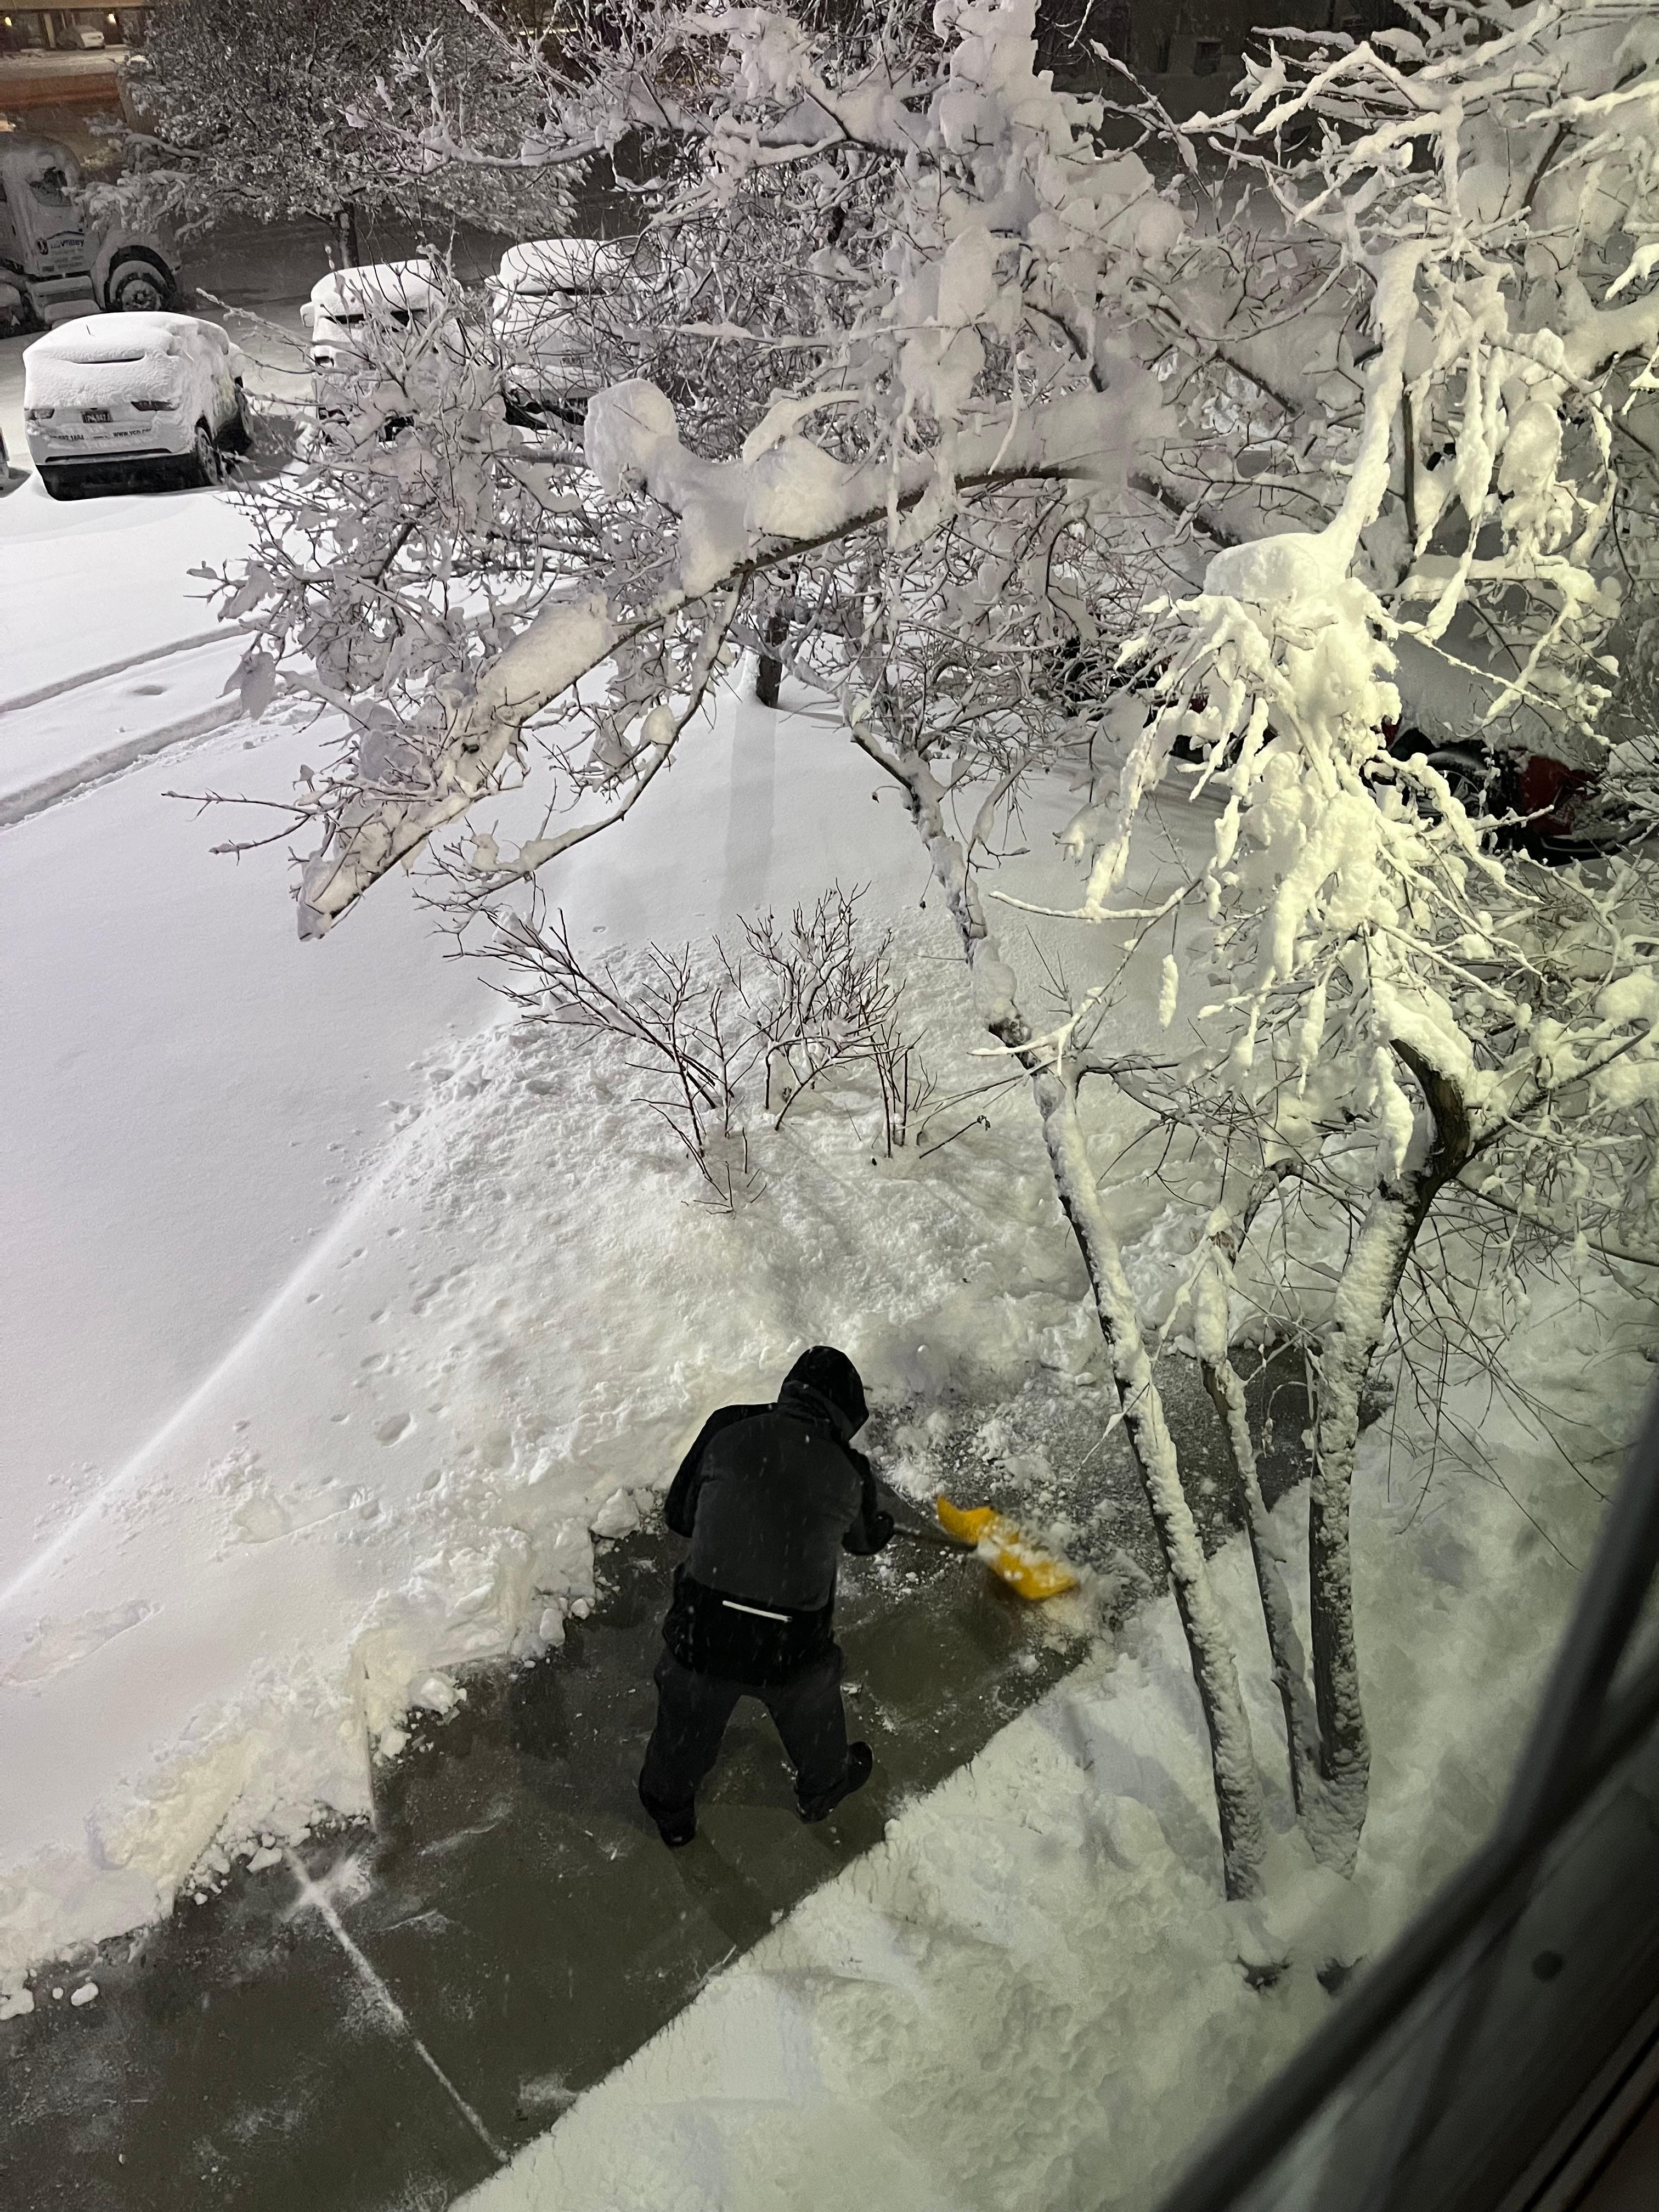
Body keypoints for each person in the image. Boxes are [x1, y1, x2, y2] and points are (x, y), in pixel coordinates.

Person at [637, 1345, 895, 1847]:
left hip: (704, 1629)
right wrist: (877, 1527)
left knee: (684, 1726)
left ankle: (671, 1815)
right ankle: (822, 1790)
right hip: (791, 1646)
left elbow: (680, 1517)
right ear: (845, 1418)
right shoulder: (850, 1468)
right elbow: (862, 1542)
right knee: (814, 1711)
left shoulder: (728, 1426)